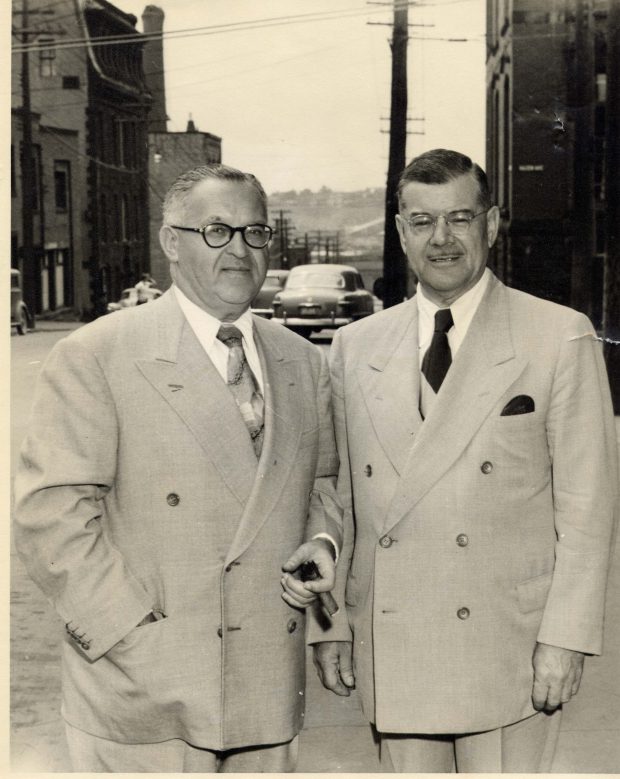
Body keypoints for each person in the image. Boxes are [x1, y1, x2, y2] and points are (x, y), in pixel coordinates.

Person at [14, 163, 342, 773]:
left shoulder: (300, 361)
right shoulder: (97, 355)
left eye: (255, 232)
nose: (240, 250)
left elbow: (321, 487)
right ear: (172, 242)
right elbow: (49, 519)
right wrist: (133, 639)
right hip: (141, 694)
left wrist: (321, 540)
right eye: (217, 231)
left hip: (266, 691)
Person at [311, 149, 618, 772]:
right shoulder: (354, 346)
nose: (442, 239)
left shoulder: (558, 335)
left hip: (510, 646)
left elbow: (588, 510)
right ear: (400, 232)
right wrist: (332, 623)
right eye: (422, 222)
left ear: (493, 224)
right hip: (396, 641)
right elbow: (333, 497)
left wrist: (566, 637)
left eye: (460, 218)